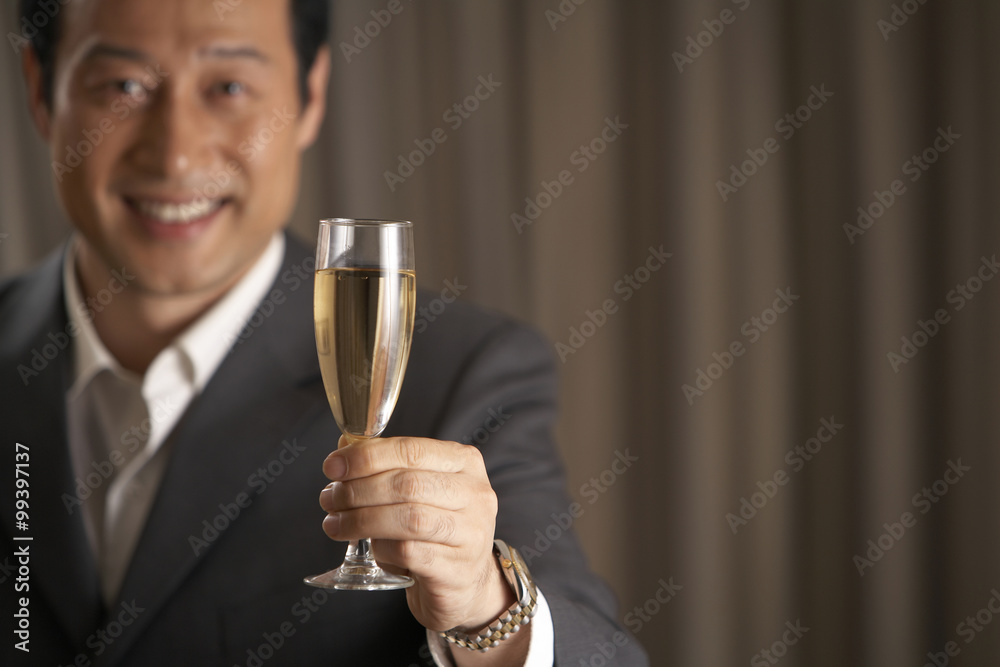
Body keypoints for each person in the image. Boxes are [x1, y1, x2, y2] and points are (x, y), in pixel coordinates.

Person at [0, 0, 648, 665]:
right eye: (123, 87)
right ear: (39, 90)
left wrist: (484, 605)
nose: (176, 153)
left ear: (310, 96)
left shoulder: (466, 374)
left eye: (228, 87)